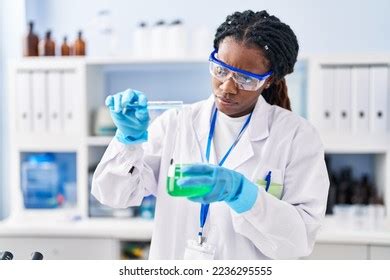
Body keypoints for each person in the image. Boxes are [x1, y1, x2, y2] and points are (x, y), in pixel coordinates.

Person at [92, 10, 329, 260]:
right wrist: (128, 141)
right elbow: (112, 195)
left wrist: (243, 194)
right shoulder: (177, 123)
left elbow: (298, 242)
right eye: (220, 70)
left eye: (246, 79)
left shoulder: (296, 137)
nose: (227, 87)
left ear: (268, 81)